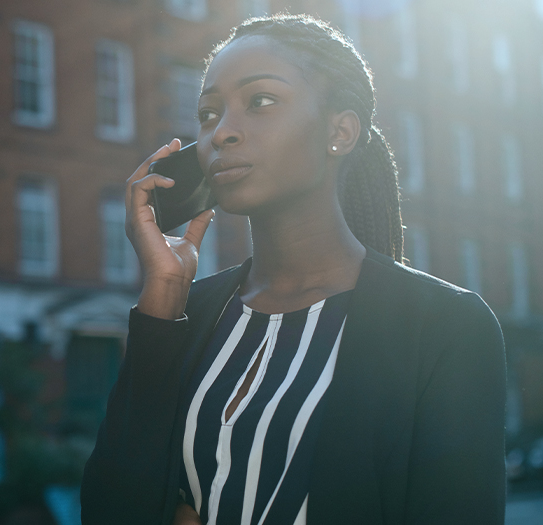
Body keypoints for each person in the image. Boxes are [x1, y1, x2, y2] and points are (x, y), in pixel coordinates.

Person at [80, 14, 505, 525]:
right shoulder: (186, 312)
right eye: (209, 113)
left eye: (259, 101)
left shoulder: (444, 325)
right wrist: (163, 296)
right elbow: (109, 509)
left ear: (340, 131)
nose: (222, 133)